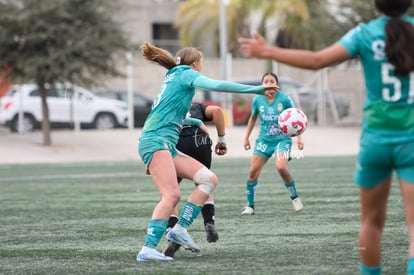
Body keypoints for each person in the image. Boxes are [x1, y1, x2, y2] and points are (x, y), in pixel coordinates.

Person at [239, 0, 414, 274]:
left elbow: (318, 60)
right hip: (410, 139)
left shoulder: (364, 33)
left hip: (375, 140)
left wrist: (267, 50)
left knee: (371, 222)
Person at [137, 42, 277, 261]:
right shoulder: (186, 74)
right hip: (156, 142)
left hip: (162, 143)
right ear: (195, 65)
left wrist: (194, 120)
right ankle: (147, 248)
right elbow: (218, 85)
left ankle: (180, 229)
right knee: (171, 195)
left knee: (209, 179)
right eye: (201, 64)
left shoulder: (173, 76)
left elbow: (168, 112)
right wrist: (256, 90)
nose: (202, 68)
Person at [163, 102, 227, 257]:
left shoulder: (164, 104)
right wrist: (221, 139)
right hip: (200, 141)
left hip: (177, 143)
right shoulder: (196, 106)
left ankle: (173, 231)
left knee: (169, 191)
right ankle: (209, 222)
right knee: (204, 184)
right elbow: (218, 110)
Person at [241, 72, 304, 215]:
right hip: (264, 140)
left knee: (281, 167)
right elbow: (252, 118)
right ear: (262, 85)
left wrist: (299, 138)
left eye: (272, 81)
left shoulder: (285, 99)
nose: (269, 84)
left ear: (277, 85)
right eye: (266, 81)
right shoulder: (257, 99)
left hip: (282, 139)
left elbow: (296, 118)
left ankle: (294, 198)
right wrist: (246, 137)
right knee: (252, 172)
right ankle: (250, 206)